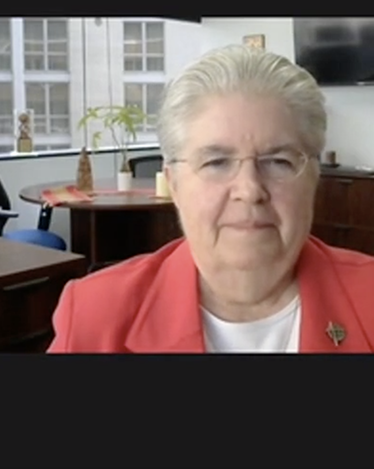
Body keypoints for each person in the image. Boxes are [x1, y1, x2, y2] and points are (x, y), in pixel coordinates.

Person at [48, 44, 374, 353]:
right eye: (216, 162)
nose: (249, 190)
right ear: (173, 183)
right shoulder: (94, 315)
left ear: (314, 178)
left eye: (278, 161)